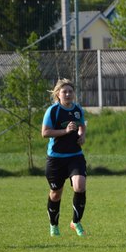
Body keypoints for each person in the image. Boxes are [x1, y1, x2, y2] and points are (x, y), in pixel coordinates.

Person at [41, 78, 88, 237]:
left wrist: (82, 135)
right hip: (56, 158)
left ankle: (76, 222)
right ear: (58, 94)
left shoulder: (77, 109)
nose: (68, 94)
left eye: (70, 91)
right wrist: (65, 131)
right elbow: (45, 133)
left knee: (80, 186)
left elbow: (82, 125)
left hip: (75, 156)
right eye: (64, 91)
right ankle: (54, 225)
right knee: (55, 193)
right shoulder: (53, 111)